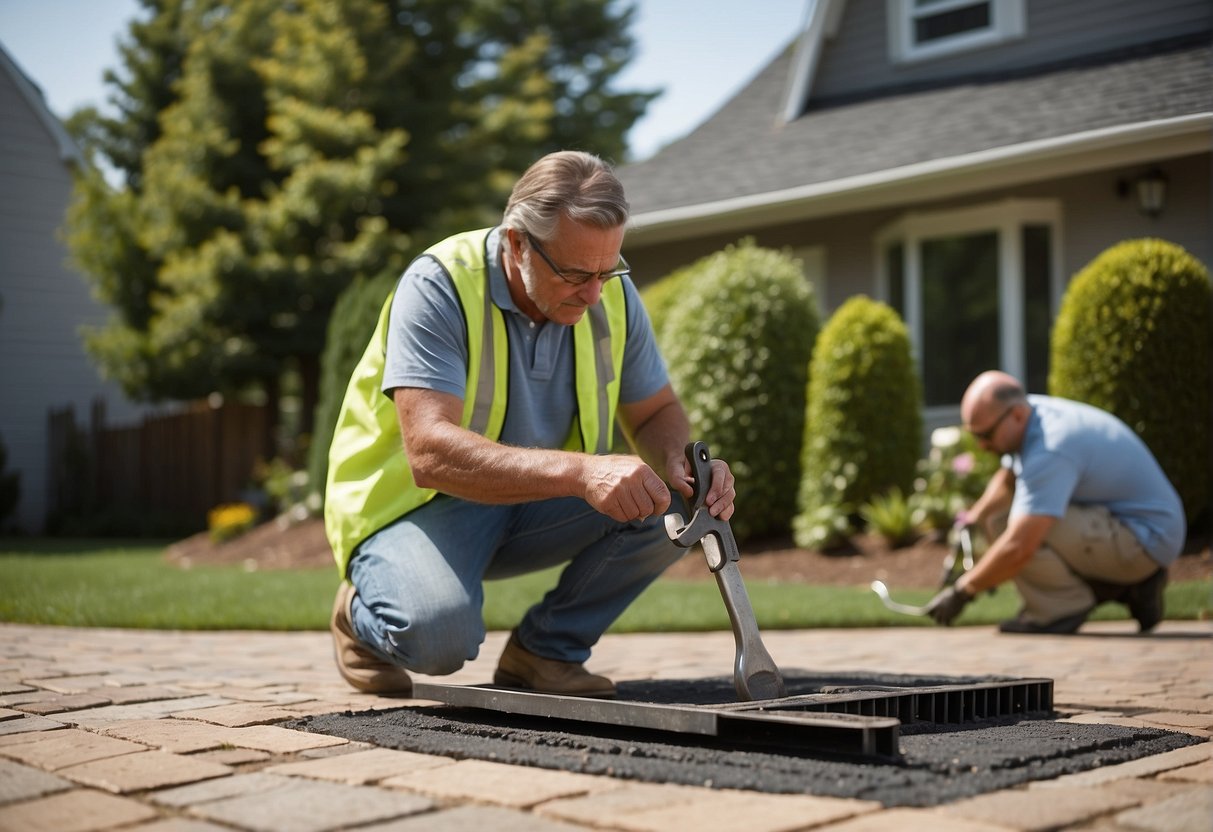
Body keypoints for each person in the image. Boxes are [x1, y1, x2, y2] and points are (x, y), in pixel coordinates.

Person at [323, 150, 735, 698]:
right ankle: (359, 614)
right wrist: (582, 472)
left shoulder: (608, 295)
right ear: (517, 244)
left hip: (534, 497)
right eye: (573, 273)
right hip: (413, 509)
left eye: (608, 271)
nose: (593, 294)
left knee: (673, 503)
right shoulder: (439, 285)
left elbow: (656, 411)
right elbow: (429, 452)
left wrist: (684, 467)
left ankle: (543, 654)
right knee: (436, 638)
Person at [924, 370, 1185, 634]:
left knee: (1008, 523)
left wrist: (963, 591)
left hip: (1145, 541)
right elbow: (1009, 478)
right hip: (1137, 533)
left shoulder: (1051, 447)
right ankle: (1131, 589)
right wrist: (973, 518)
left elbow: (1019, 546)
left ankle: (1062, 609)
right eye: (975, 436)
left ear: (1016, 415)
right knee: (1002, 517)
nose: (981, 445)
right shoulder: (1033, 412)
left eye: (987, 435)